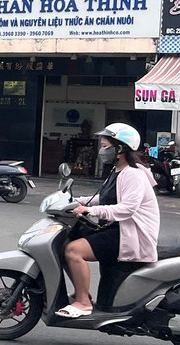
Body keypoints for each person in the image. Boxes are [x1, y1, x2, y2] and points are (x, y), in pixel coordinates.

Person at [58, 123, 159, 318]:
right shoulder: (117, 171)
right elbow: (106, 198)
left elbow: (127, 208)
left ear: (119, 149)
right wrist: (76, 201)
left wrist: (90, 209)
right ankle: (82, 293)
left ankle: (83, 303)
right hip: (117, 229)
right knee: (64, 242)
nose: (101, 151)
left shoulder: (133, 174)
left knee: (73, 251)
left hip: (131, 234)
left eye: (105, 147)